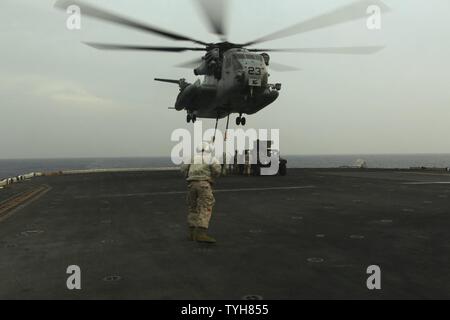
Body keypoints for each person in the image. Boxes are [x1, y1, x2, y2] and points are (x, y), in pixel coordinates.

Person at [181, 142, 222, 243]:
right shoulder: (211, 158)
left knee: (193, 207)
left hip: (191, 184)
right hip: (204, 184)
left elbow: (183, 169)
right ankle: (201, 233)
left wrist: (189, 176)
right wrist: (212, 177)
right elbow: (217, 170)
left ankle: (192, 232)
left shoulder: (192, 158)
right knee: (205, 206)